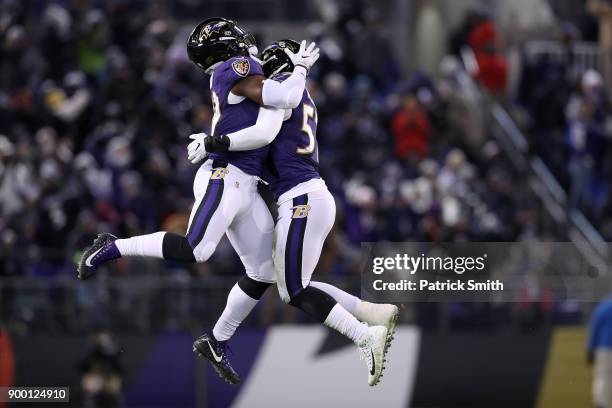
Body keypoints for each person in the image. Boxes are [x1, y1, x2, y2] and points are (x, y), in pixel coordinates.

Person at [197, 39, 399, 386]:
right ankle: (371, 313)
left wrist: (213, 142)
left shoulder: (280, 101)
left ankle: (364, 335)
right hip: (310, 196)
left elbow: (260, 131)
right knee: (293, 283)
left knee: (292, 289)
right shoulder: (302, 98)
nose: (256, 80)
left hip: (301, 198)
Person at [588, 295, 612, 408]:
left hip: (604, 347)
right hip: (604, 346)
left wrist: (590, 348)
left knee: (602, 376)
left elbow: (594, 328)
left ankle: (601, 403)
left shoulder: (604, 306)